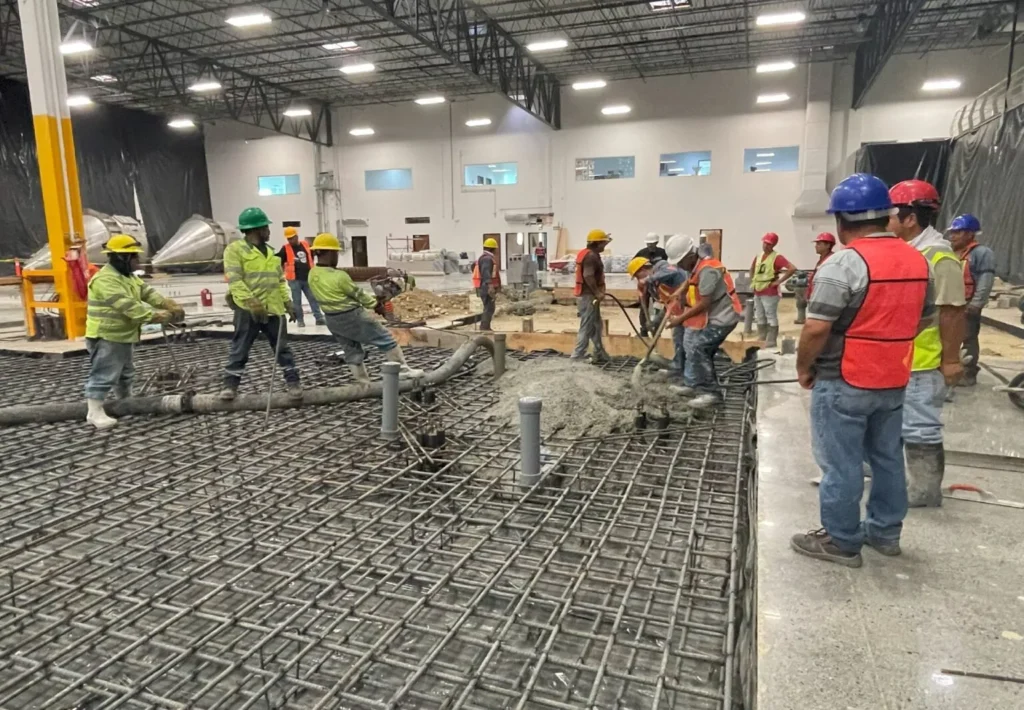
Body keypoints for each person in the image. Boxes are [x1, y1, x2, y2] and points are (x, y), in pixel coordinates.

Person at [791, 173, 934, 567]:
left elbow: (817, 327)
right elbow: (924, 318)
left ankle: (841, 540)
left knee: (841, 462)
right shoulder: (917, 260)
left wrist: (805, 367)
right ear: (887, 217)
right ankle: (885, 534)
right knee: (887, 457)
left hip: (844, 378)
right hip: (893, 378)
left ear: (841, 222)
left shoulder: (844, 263)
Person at [889, 179, 966, 507]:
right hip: (899, 360)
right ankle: (905, 483)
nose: (886, 222)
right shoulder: (908, 251)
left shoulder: (938, 256)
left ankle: (923, 491)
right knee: (898, 426)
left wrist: (950, 360)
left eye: (892, 216)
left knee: (921, 427)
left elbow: (951, 311)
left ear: (910, 219)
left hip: (923, 361)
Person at [83, 235, 184, 430]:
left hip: (123, 335)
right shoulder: (105, 280)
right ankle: (94, 412)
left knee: (125, 373)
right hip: (106, 336)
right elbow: (129, 307)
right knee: (105, 374)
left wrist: (167, 303)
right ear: (122, 258)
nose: (137, 261)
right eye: (134, 257)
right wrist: (159, 316)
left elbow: (146, 293)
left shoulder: (128, 277)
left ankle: (125, 403)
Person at [308, 233, 425, 382]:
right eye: (336, 253)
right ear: (331, 253)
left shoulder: (312, 274)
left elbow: (339, 294)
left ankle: (363, 383)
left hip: (332, 319)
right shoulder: (339, 276)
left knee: (351, 350)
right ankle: (401, 371)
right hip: (352, 317)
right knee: (386, 339)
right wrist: (376, 305)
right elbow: (357, 294)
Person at [220, 207, 302, 401]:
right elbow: (235, 280)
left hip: (274, 310)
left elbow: (279, 281)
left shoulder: (272, 253)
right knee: (240, 347)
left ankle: (293, 383)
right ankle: (230, 386)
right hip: (247, 311)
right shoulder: (234, 251)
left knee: (282, 349)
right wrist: (251, 301)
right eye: (266, 227)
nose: (269, 231)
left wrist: (287, 302)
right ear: (256, 229)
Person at [666, 234, 743, 410]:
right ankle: (691, 383)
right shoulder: (697, 264)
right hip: (712, 314)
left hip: (723, 317)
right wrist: (679, 291)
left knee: (700, 349)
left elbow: (704, 303)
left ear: (690, 256)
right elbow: (690, 280)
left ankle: (711, 394)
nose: (679, 265)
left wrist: (679, 319)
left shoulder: (708, 269)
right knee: (689, 343)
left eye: (680, 261)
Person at [947, 214, 995, 387]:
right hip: (951, 302)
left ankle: (968, 373)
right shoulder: (951, 252)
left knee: (968, 337)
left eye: (957, 232)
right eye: (952, 232)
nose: (953, 236)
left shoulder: (982, 253)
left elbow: (985, 280)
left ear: (969, 234)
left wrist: (976, 303)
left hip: (968, 303)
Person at [627, 252, 687, 376]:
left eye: (638, 276)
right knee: (679, 340)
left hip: (690, 310)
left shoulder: (662, 268)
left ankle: (685, 371)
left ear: (643, 269)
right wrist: (654, 322)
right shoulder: (655, 283)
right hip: (679, 312)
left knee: (687, 342)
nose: (639, 280)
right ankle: (679, 369)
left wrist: (647, 279)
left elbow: (674, 272)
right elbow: (667, 304)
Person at [571, 229, 612, 363]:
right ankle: (577, 355)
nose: (605, 246)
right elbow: (588, 275)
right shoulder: (591, 256)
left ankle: (599, 352)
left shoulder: (589, 254)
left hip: (588, 296)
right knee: (587, 325)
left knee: (596, 325)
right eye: (603, 243)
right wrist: (597, 292)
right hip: (588, 296)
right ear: (597, 243)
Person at [749, 232, 796, 348]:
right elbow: (752, 268)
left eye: (768, 244)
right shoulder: (759, 256)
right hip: (758, 290)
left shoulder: (777, 257)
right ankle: (762, 336)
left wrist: (779, 282)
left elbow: (792, 268)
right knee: (759, 315)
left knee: (770, 315)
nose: (765, 246)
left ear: (773, 245)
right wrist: (752, 281)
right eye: (764, 243)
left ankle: (771, 339)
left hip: (769, 291)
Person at [276, 226, 324, 328]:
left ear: (296, 236)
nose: (290, 240)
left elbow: (313, 254)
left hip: (308, 278)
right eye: (288, 238)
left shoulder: (306, 245)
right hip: (294, 280)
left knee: (313, 299)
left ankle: (319, 318)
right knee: (297, 301)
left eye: (292, 238)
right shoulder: (285, 248)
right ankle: (300, 320)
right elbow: (278, 261)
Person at [634, 233, 668, 337]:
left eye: (652, 244)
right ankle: (643, 330)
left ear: (656, 243)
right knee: (643, 307)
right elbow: (633, 267)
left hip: (657, 284)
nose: (650, 246)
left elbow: (668, 266)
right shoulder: (641, 253)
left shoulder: (662, 253)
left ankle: (656, 331)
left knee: (658, 306)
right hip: (644, 284)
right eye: (648, 244)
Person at [473, 238, 501, 331]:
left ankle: (485, 326)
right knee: (489, 307)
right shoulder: (487, 259)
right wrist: (490, 285)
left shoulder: (482, 257)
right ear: (492, 249)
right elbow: (486, 273)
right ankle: (484, 327)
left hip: (483, 286)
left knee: (488, 307)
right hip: (486, 287)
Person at [806, 232, 837, 298]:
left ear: (828, 245)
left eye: (819, 244)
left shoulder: (832, 260)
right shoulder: (822, 259)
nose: (816, 246)